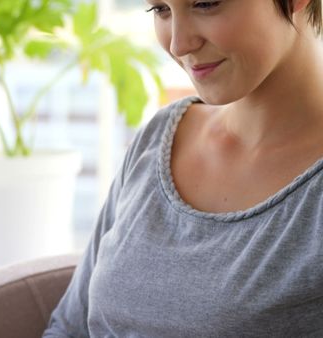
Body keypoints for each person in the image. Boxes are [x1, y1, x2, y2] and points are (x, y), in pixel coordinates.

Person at [43, 0, 323, 336]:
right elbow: (69, 327)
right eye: (160, 9)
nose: (178, 44)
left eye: (206, 4)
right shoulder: (161, 135)